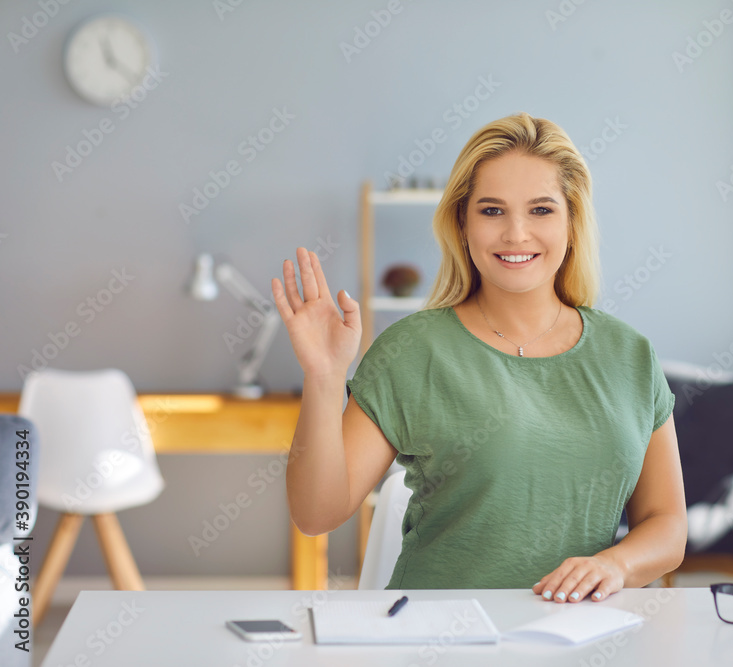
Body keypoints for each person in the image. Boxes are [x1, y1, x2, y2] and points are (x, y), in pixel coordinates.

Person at [273, 112, 686, 603]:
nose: (515, 234)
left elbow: (667, 524)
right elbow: (316, 514)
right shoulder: (413, 352)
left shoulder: (630, 356)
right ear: (462, 224)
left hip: (577, 635)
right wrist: (323, 376)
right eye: (492, 211)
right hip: (438, 639)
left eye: (541, 210)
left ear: (572, 223)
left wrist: (615, 564)